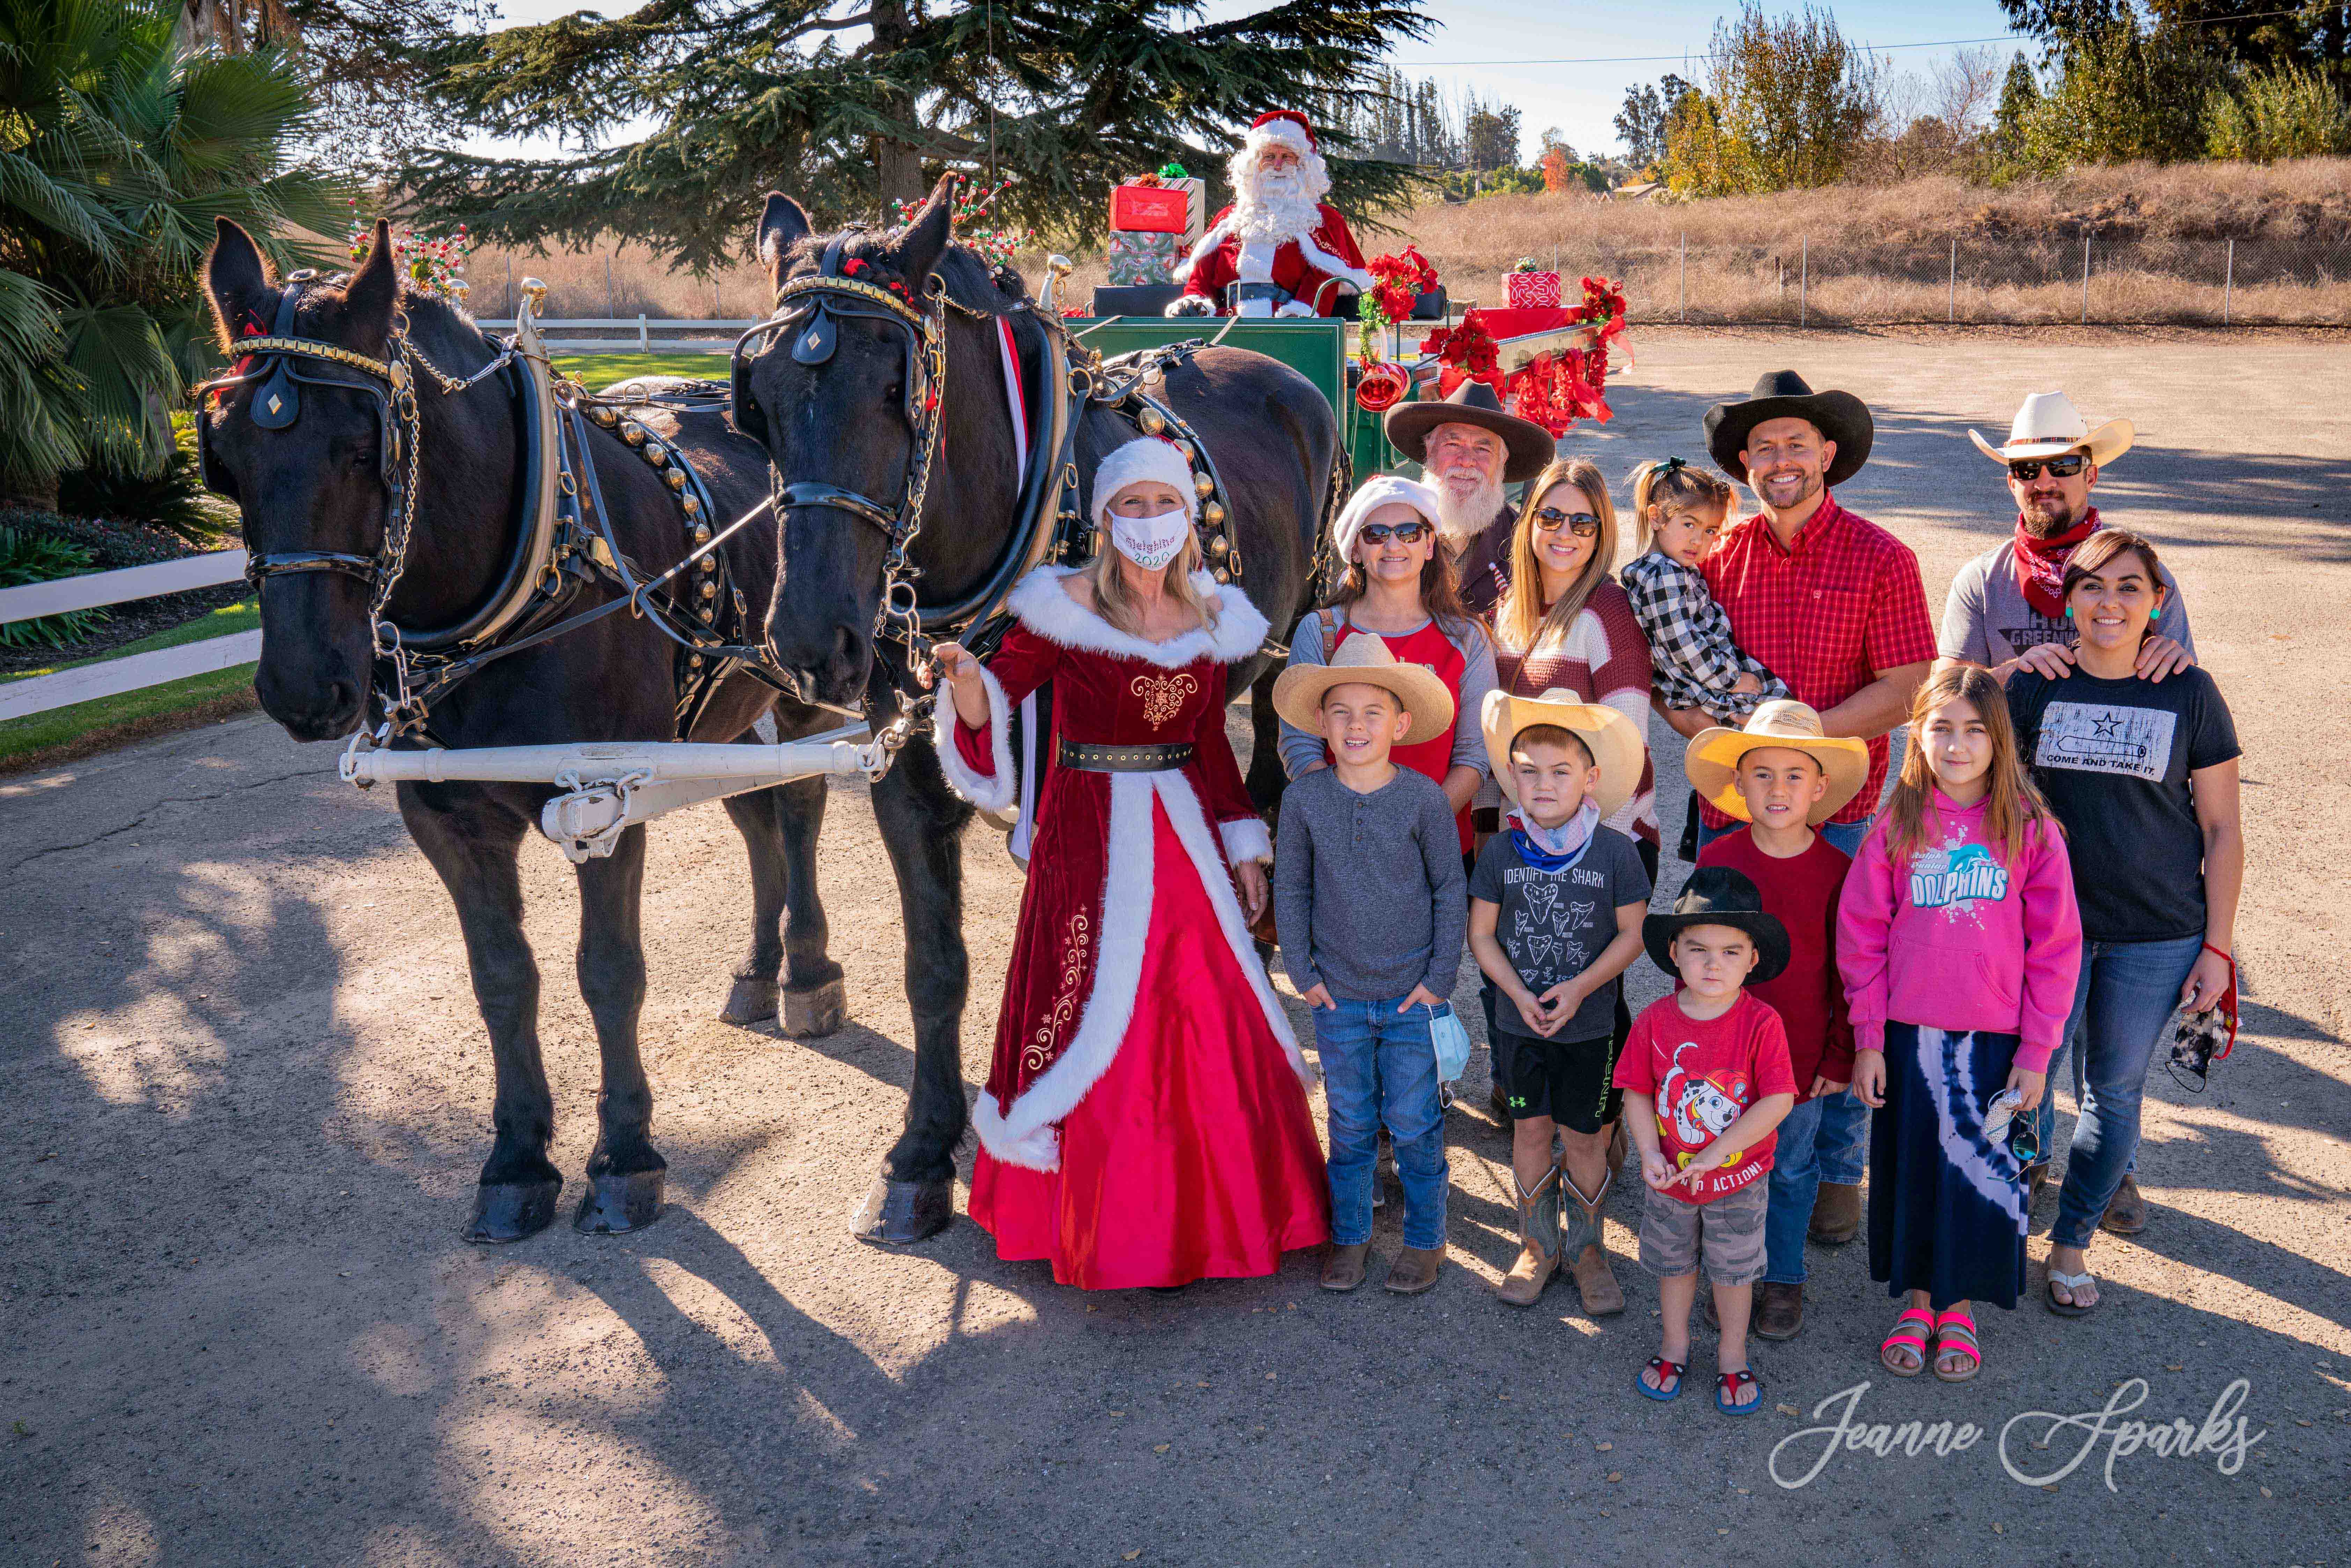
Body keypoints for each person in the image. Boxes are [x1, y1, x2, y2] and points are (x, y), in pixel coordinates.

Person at [929, 436, 1327, 1289]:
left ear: (1189, 517)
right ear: (1104, 520)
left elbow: (1209, 745)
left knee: (1205, 999)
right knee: (1082, 999)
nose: (1148, 521)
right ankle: (1090, 1219)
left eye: (1163, 504)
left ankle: (1221, 1214)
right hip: (1088, 832)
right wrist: (965, 687)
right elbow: (992, 696)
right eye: (1131, 506)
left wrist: (1242, 842)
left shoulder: (1214, 613)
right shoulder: (1061, 607)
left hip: (1184, 828)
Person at [1670, 369, 1939, 1253]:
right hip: (1731, 815)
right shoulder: (1718, 556)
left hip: (1845, 814)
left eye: (1795, 443)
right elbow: (1683, 675)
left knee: (1843, 983)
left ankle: (1833, 1167)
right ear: (1742, 462)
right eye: (1762, 447)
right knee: (1732, 977)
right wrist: (1722, 746)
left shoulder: (1880, 556)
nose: (1779, 460)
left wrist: (1796, 745)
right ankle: (1728, 1134)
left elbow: (1905, 690)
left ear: (1827, 454)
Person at [2000, 530, 2243, 1314]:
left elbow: (2222, 829)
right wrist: (2005, 671)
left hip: (2157, 932)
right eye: (2093, 587)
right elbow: (1955, 747)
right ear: (2066, 600)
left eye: (2130, 587)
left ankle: (2071, 1241)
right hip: (2045, 930)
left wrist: (2217, 946)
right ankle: (2004, 1223)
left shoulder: (2190, 691)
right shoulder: (2034, 687)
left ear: (2157, 602)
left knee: (2113, 1090)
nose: (2111, 603)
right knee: (2025, 1084)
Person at [1838, 666, 2083, 1381]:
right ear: (1918, 733)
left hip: (1997, 1041)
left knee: (1983, 1173)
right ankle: (1919, 1299)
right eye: (1941, 727)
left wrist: (2037, 1051)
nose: (1957, 743)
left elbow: (2057, 948)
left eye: (1975, 729)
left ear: (1999, 739)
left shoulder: (2031, 827)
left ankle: (1961, 1307)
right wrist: (1868, 1037)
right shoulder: (1899, 820)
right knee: (1914, 1168)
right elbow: (1861, 935)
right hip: (1910, 1035)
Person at [1271, 638, 1469, 1295]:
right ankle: (1350, 1235)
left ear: (1401, 724)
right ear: (1320, 724)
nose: (1356, 725)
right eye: (1340, 712)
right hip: (1339, 998)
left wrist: (1437, 981)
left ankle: (1424, 1239)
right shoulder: (1304, 801)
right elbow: (1292, 890)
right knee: (1351, 1123)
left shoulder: (1423, 800)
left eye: (1373, 712)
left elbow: (1448, 889)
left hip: (1414, 995)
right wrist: (1303, 973)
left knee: (1415, 1123)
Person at [1478, 456, 1660, 1122]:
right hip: (1520, 837)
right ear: (1528, 523)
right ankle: (1523, 1099)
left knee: (1590, 994)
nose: (1564, 532)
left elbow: (1624, 746)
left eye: (1582, 522)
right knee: (1520, 974)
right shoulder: (1507, 610)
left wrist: (1575, 842)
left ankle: (1604, 1121)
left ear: (1600, 532)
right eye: (1550, 515)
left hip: (1602, 840)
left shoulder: (1607, 612)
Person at [1684, 700, 1871, 1341]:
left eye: (1795, 775)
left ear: (1820, 788)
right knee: (1725, 1170)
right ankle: (1732, 1274)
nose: (1778, 789)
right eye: (1761, 774)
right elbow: (1693, 960)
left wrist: (1839, 1056)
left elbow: (1851, 976)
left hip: (1797, 1063)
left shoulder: (1838, 873)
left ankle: (1784, 1276)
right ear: (1737, 784)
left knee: (1791, 1171)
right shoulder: (1719, 863)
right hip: (1722, 1063)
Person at [1468, 693, 1652, 1313]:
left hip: (1589, 1024)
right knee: (1529, 1128)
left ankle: (1589, 1251)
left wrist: (1579, 987)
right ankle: (1537, 1244)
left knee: (1583, 1137)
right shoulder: (1499, 853)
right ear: (1511, 774)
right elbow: (1481, 934)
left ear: (1590, 778)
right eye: (1528, 770)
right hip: (1518, 1022)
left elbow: (1632, 935)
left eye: (1559, 772)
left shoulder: (1614, 853)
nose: (1541, 784)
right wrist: (1515, 993)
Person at [1617, 867, 1798, 1416]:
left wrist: (1718, 1152)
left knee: (1734, 1270)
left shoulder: (1762, 1023)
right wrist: (1649, 1150)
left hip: (1739, 1181)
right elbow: (1637, 1091)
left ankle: (1731, 1353)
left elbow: (1778, 1099)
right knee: (1674, 1264)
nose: (1712, 963)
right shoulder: (1654, 1021)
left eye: (1729, 950)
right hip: (1671, 1180)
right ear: (1674, 953)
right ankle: (1674, 1345)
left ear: (1752, 959)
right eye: (1697, 948)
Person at [1277, 475, 1498, 856]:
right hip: (1338, 846)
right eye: (1376, 534)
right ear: (1356, 550)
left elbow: (1474, 757)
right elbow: (1300, 747)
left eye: (1409, 533)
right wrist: (1352, 822)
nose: (1393, 545)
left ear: (1430, 545)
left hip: (1433, 848)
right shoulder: (1322, 632)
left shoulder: (1467, 638)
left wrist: (1416, 827)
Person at [1940, 391, 2196, 682]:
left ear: (2090, 478)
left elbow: (2185, 695)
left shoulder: (2146, 578)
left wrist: (2175, 664)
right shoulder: (1981, 581)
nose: (2044, 482)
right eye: (2027, 469)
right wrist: (2011, 674)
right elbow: (1945, 696)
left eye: (2062, 466)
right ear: (2013, 484)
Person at [1621, 456, 1791, 725]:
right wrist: (1732, 680)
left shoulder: (1672, 569)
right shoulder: (1664, 575)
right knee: (1779, 717)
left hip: (1707, 673)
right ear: (1655, 518)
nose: (1697, 540)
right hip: (1707, 681)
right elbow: (1682, 645)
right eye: (1689, 524)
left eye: (1710, 530)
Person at [1169, 110, 1372, 318]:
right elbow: (1200, 278)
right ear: (1256, 164)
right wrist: (1193, 303)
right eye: (1269, 157)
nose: (1277, 165)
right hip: (1226, 324)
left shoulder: (1322, 221)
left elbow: (1326, 279)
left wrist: (1301, 314)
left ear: (1302, 165)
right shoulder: (1228, 219)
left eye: (1286, 157)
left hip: (1287, 329)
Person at [1383, 380, 1557, 617]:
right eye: (1453, 444)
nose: (1466, 460)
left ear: (1502, 462)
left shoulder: (1525, 543)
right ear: (1429, 450)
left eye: (1483, 450)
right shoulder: (1390, 531)